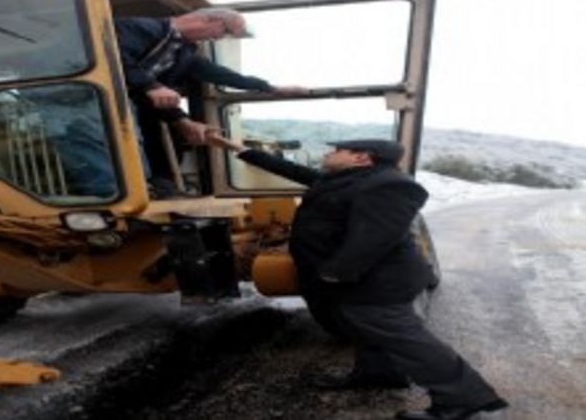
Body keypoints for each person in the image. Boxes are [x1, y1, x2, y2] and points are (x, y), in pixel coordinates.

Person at [207, 135, 508, 420]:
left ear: (362, 158)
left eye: (337, 150)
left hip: (377, 283)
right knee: (364, 329)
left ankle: (464, 397)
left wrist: (334, 274)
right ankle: (379, 374)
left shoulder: (390, 186)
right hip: (360, 280)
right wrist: (235, 147)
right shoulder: (347, 179)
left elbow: (374, 239)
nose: (328, 153)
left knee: (409, 341)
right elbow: (290, 169)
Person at [115, 8, 306, 194]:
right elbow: (113, 57)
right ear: (209, 20)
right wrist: (152, 86)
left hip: (132, 102)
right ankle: (117, 186)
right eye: (225, 31)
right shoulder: (142, 28)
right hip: (99, 98)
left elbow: (222, 75)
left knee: (170, 127)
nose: (218, 38)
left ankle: (161, 184)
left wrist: (270, 88)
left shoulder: (184, 52)